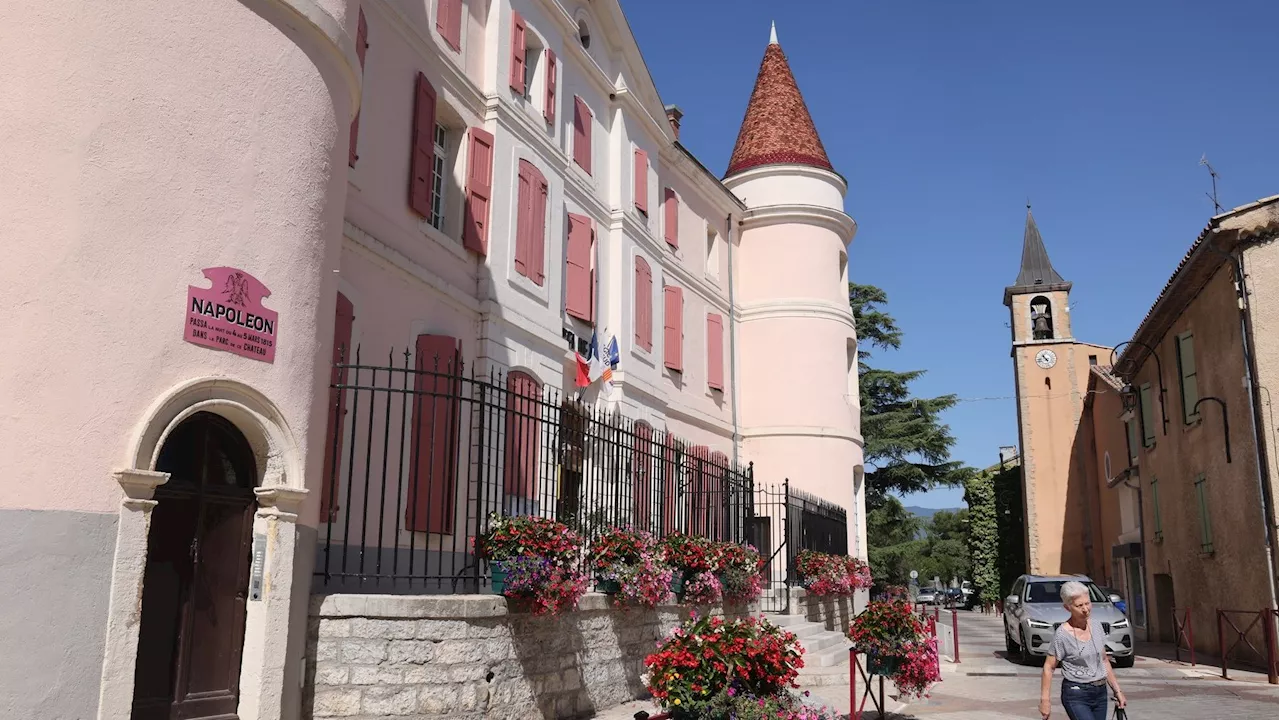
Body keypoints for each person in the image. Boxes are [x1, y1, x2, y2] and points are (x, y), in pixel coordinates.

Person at [1038, 581, 1127, 720]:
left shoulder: (1097, 626)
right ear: (1067, 607)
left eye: (1087, 603)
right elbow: (1048, 667)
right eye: (1079, 605)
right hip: (1076, 694)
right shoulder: (1062, 634)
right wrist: (1045, 701)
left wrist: (1117, 691)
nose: (1085, 609)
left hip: (1100, 692)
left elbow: (1103, 660)